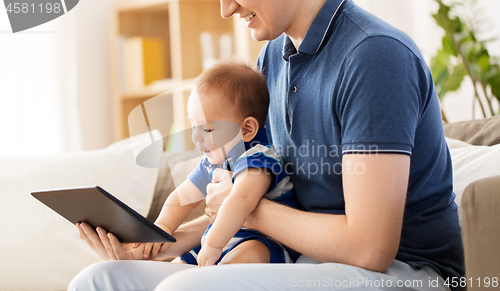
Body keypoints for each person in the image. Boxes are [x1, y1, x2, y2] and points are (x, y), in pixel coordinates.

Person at [69, 0, 465, 290]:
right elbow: (253, 191)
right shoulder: (272, 59)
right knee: (101, 280)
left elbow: (370, 249)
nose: (226, 9)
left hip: (409, 273)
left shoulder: (374, 56)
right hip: (305, 258)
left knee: (185, 289)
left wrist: (247, 212)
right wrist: (159, 246)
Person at [144, 60, 297, 266]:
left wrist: (213, 245)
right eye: (192, 126)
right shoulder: (214, 159)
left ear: (246, 129)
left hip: (264, 240)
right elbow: (184, 196)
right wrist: (162, 226)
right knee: (177, 266)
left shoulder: (259, 158)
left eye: (207, 129)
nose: (196, 138)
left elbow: (240, 199)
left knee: (245, 255)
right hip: (219, 239)